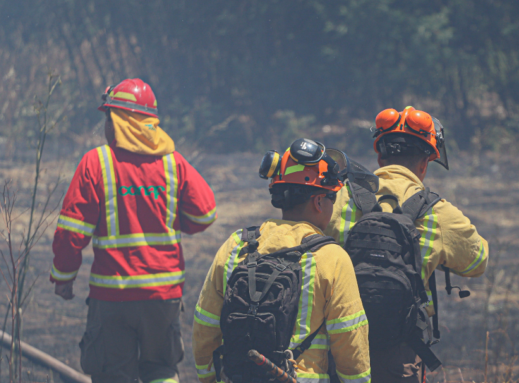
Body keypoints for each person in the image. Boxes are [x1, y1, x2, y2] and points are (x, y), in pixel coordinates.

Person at [50, 78, 217, 383]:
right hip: (163, 297)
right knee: (162, 370)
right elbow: (205, 214)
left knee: (113, 374)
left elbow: (71, 233)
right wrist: (171, 217)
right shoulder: (172, 163)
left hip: (113, 296)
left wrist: (63, 278)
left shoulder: (96, 162)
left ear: (117, 120)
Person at [325, 106, 489, 383]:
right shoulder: (438, 211)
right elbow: (478, 261)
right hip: (399, 351)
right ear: (425, 163)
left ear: (379, 155)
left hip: (337, 346)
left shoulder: (338, 198)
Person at [192, 138, 372, 383]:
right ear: (319, 202)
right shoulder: (332, 257)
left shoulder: (236, 245)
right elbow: (349, 339)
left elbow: (205, 325)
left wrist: (208, 378)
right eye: (333, 198)